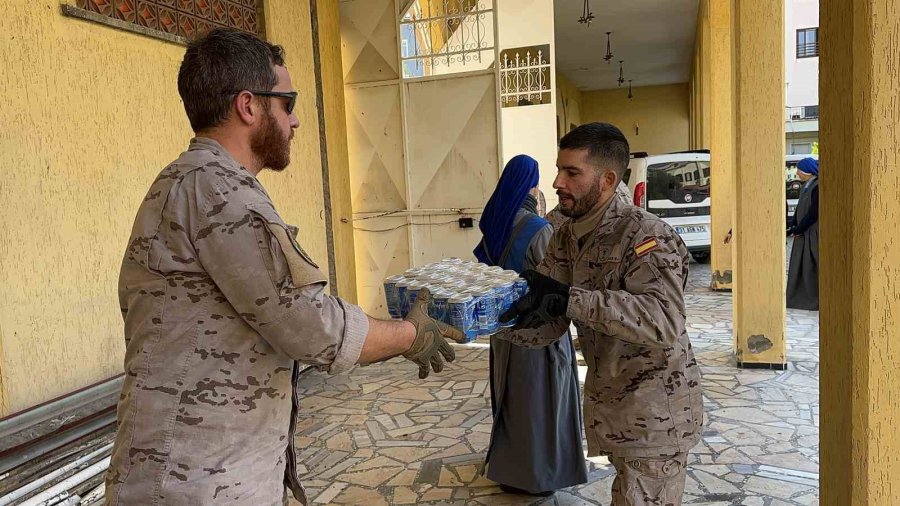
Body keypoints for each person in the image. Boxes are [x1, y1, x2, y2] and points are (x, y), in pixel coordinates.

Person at [105, 29, 463, 505]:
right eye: (287, 103)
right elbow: (308, 324)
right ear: (249, 107)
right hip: (196, 481)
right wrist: (409, 334)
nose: (294, 122)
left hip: (199, 470)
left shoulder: (192, 182)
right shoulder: (220, 193)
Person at [498, 123, 703, 506]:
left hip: (656, 411)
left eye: (572, 173)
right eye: (558, 169)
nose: (557, 182)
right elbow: (549, 317)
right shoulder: (565, 232)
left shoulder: (646, 236)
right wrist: (493, 322)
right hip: (612, 403)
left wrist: (568, 298)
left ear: (607, 179)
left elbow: (663, 320)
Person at [473, 155, 587, 496]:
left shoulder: (493, 222)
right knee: (541, 402)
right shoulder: (538, 229)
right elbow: (553, 279)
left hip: (504, 331)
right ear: (531, 184)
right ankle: (540, 475)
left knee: (511, 399)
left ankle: (510, 469)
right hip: (539, 331)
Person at [786, 157, 820, 310]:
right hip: (803, 234)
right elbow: (800, 208)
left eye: (799, 170)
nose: (797, 173)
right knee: (801, 267)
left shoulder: (817, 187)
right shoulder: (805, 186)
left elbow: (814, 213)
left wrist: (799, 229)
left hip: (812, 234)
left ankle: (813, 300)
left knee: (811, 266)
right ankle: (799, 299)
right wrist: (793, 225)